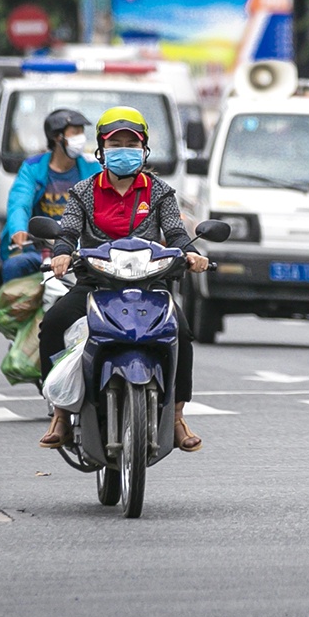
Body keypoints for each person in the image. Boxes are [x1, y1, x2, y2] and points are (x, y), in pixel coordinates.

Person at [37, 106, 209, 453]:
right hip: (97, 281)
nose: (124, 150)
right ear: (101, 150)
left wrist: (190, 254)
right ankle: (59, 412)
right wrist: (61, 253)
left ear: (143, 149)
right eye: (117, 144)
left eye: (132, 143)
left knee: (183, 332)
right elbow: (68, 231)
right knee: (53, 324)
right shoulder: (84, 191)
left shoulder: (159, 191)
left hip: (150, 282)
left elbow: (175, 232)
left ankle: (176, 416)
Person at [1, 108, 99, 282]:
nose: (81, 138)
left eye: (82, 132)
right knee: (15, 265)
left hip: (83, 249)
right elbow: (19, 202)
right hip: (40, 249)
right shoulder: (33, 167)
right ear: (57, 137)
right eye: (75, 133)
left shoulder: (93, 167)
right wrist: (18, 229)